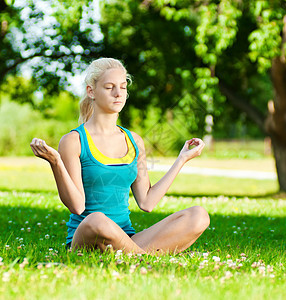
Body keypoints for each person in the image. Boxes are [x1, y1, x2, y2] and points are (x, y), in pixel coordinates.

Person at [30, 57, 210, 255]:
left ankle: (133, 255)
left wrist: (181, 159)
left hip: (126, 238)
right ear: (91, 91)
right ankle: (143, 258)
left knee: (198, 215)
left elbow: (147, 202)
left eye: (123, 87)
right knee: (97, 219)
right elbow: (77, 206)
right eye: (109, 87)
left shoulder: (135, 141)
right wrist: (56, 163)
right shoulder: (74, 141)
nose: (118, 94)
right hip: (88, 237)